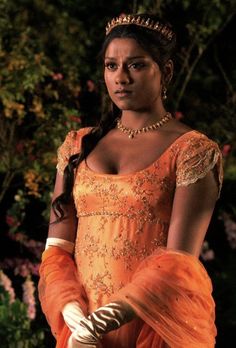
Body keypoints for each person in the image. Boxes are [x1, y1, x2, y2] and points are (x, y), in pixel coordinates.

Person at [38, 13, 223, 348]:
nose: (120, 78)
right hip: (82, 330)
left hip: (153, 326)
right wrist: (72, 313)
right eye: (111, 66)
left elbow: (178, 262)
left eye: (136, 65)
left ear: (165, 71)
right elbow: (57, 250)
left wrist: (105, 319)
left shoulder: (192, 150)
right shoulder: (78, 146)